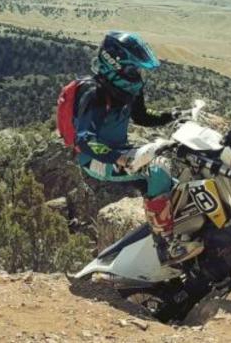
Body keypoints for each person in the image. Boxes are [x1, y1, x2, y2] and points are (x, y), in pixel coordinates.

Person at [74, 30, 202, 265]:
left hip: (120, 150)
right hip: (95, 160)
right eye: (133, 69)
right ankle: (166, 247)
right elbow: (84, 140)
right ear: (116, 65)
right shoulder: (95, 94)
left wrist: (173, 115)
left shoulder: (128, 89)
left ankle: (184, 233)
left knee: (175, 183)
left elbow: (142, 116)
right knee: (157, 170)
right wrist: (119, 158)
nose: (137, 75)